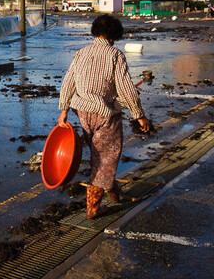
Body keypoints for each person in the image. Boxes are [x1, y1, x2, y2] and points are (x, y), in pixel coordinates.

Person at [57, 14, 151, 219]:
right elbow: (126, 88)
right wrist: (139, 115)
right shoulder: (115, 55)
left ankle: (113, 191)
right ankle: (93, 207)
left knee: (99, 153)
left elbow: (68, 82)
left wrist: (63, 110)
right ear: (114, 35)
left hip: (82, 112)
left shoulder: (81, 53)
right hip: (105, 114)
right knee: (106, 157)